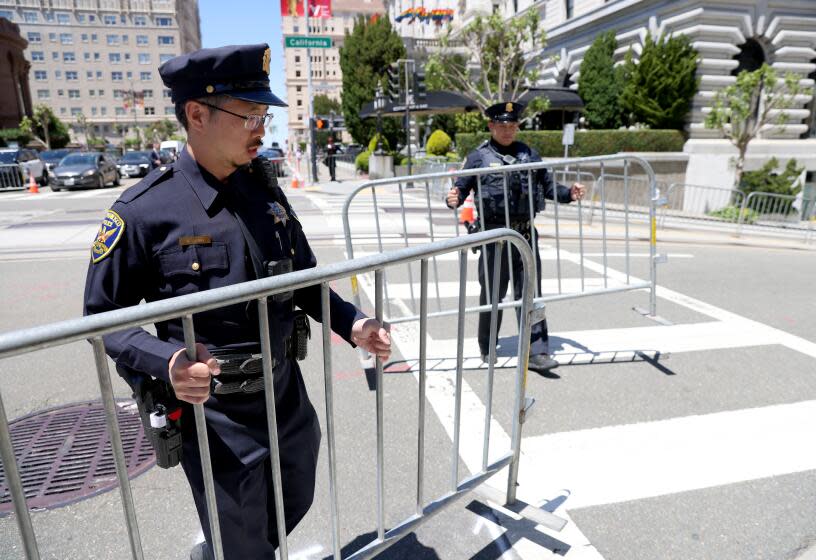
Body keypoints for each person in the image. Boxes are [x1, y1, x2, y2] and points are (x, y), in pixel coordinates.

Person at [83, 44, 392, 560]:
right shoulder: (143, 212)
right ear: (197, 115)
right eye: (248, 115)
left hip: (284, 393)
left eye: (263, 115)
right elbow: (103, 317)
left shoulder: (266, 192)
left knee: (295, 493)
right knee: (242, 537)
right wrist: (168, 363)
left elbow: (305, 277)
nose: (260, 128)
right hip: (216, 415)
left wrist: (353, 324)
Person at [445, 101, 585, 375]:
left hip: (525, 234)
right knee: (493, 293)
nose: (508, 130)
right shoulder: (478, 157)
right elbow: (460, 189)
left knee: (531, 293)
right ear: (491, 126)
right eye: (502, 125)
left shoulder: (530, 154)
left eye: (512, 125)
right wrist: (453, 199)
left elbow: (547, 187)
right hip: (494, 235)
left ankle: (537, 351)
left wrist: (569, 193)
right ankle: (487, 345)